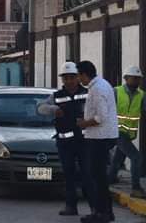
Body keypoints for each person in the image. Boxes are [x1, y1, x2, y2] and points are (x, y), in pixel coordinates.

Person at [37, 62, 90, 216]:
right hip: (65, 143)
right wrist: (53, 109)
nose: (69, 81)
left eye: (72, 77)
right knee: (69, 174)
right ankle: (71, 206)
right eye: (66, 78)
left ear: (78, 78)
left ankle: (94, 207)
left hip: (84, 142)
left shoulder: (88, 93)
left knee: (87, 173)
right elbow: (40, 108)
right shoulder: (57, 96)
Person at [76, 60, 119, 223]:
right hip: (99, 136)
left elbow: (101, 117)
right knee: (97, 176)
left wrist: (83, 123)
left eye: (80, 76)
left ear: (84, 74)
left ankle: (102, 213)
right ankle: (104, 211)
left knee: (97, 177)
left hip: (100, 137)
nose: (80, 80)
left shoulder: (98, 89)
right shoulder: (99, 85)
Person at [108, 66, 145, 198]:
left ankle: (110, 178)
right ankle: (136, 188)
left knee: (119, 156)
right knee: (136, 157)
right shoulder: (116, 92)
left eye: (138, 79)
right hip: (116, 131)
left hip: (128, 134)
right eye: (134, 78)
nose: (136, 81)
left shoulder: (141, 95)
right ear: (126, 79)